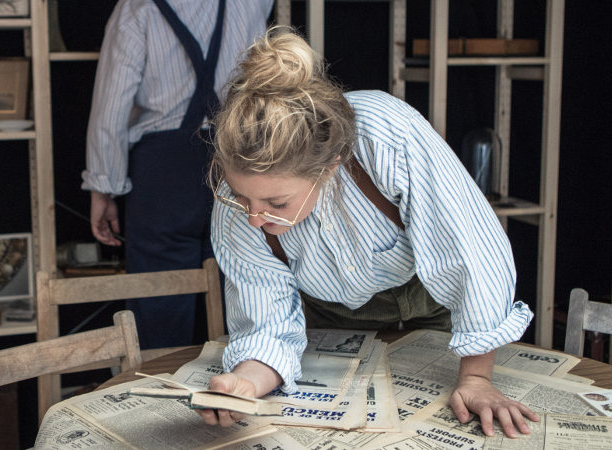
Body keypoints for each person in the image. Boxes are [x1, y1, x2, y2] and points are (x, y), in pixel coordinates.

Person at [201, 27, 539, 438]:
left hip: (433, 307)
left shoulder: (385, 134)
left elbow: (470, 252)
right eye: (242, 197)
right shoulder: (235, 206)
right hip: (329, 327)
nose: (254, 217)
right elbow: (266, 326)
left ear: (330, 166)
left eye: (276, 204)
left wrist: (477, 380)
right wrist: (247, 384)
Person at [82, 0, 273, 349]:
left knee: (160, 297)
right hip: (236, 160)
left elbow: (111, 106)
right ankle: (235, 386)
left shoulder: (137, 9)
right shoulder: (248, 3)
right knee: (240, 287)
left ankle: (159, 393)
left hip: (162, 172)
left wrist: (103, 188)